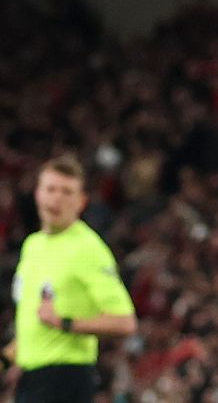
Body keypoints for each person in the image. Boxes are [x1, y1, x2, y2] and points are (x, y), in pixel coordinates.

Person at [4, 157, 137, 403]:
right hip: (32, 378)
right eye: (50, 189)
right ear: (37, 194)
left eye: (67, 192)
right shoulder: (33, 245)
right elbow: (34, 322)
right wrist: (7, 359)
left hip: (66, 378)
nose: (57, 198)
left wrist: (65, 323)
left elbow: (124, 322)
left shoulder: (88, 248)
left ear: (81, 201)